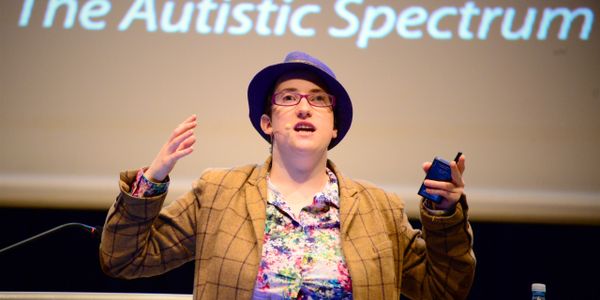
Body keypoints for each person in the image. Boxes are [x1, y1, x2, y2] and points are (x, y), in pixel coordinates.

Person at [100, 51, 475, 299]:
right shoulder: (218, 193)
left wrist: (444, 217)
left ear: (334, 128)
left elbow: (444, 290)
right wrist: (152, 180)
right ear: (267, 123)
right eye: (289, 98)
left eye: (318, 99)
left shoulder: (380, 208)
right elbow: (124, 259)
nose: (304, 108)